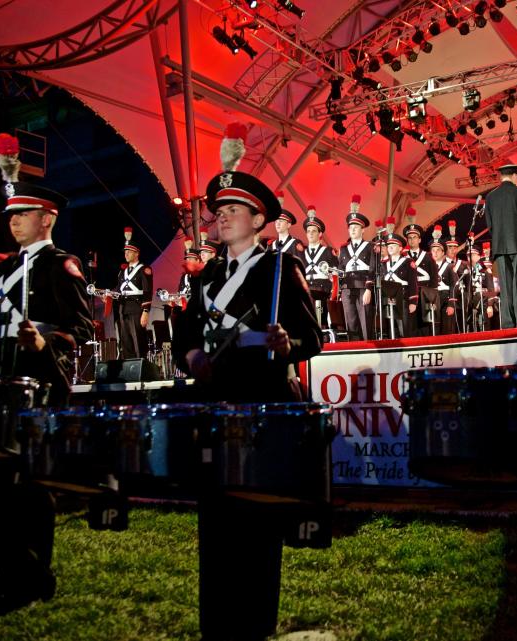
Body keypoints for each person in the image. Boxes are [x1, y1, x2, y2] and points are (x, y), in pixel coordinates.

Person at [171, 127, 323, 640]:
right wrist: (192, 355)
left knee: (256, 523)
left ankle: (254, 625)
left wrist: (285, 346)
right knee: (215, 521)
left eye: (234, 209)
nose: (222, 215)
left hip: (261, 406)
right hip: (213, 408)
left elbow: (311, 338)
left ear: (260, 220)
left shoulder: (280, 267)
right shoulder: (206, 278)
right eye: (219, 209)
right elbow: (184, 337)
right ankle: (217, 624)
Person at [0, 133, 95, 610]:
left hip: (39, 389)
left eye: (22, 214)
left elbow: (81, 329)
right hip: (0, 388)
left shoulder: (59, 266)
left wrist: (46, 339)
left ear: (46, 218)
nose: (13, 222)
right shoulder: (6, 269)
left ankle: (31, 574)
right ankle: (3, 569)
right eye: (10, 215)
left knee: (30, 487)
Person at [483, 163, 517, 328]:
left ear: (501, 177)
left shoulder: (491, 197)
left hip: (500, 247)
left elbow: (490, 225)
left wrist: (500, 238)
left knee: (505, 287)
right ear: (515, 176)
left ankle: (508, 324)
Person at [337, 195, 374, 340]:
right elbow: (341, 268)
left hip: (363, 288)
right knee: (350, 323)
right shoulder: (344, 249)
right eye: (350, 227)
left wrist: (368, 289)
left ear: (362, 229)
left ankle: (369, 351)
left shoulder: (370, 247)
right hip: (347, 288)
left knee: (365, 323)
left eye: (356, 227)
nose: (352, 230)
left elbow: (372, 269)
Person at [114, 228, 152, 358]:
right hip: (123, 309)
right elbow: (119, 291)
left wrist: (145, 311)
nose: (126, 254)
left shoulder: (144, 269)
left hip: (137, 308)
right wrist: (108, 297)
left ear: (137, 253)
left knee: (138, 342)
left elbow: (147, 291)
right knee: (126, 342)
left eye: (129, 251)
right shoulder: (122, 272)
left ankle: (142, 368)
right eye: (125, 251)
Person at [301, 207, 337, 330]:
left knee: (320, 321)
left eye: (314, 231)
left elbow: (336, 274)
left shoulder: (327, 252)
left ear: (320, 234)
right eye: (308, 231)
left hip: (321, 291)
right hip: (306, 291)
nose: (310, 233)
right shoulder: (301, 253)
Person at [403, 210, 437, 335]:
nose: (412, 240)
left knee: (425, 325)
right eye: (409, 238)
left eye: (414, 237)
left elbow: (434, 279)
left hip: (425, 294)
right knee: (411, 325)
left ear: (419, 239)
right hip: (409, 294)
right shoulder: (403, 257)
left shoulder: (428, 257)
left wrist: (433, 298)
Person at [428, 229, 458, 335]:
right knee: (434, 329)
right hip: (432, 300)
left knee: (447, 329)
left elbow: (454, 286)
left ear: (443, 252)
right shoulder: (428, 268)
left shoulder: (449, 267)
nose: (435, 253)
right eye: (433, 250)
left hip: (445, 299)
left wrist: (451, 304)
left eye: (438, 250)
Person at [268, 192, 305, 265]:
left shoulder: (295, 244)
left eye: (281, 221)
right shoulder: (271, 245)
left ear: (288, 225)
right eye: (276, 221)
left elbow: (301, 267)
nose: (277, 224)